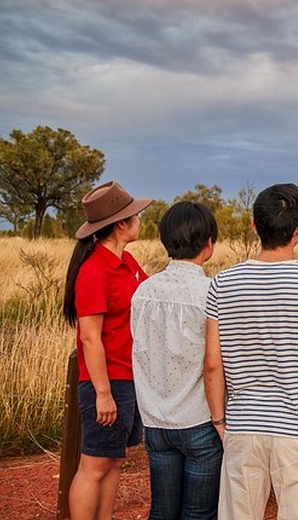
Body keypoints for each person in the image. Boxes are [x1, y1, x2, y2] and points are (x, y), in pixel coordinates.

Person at [204, 183, 298, 520]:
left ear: (255, 226)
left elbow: (212, 365)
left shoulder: (222, 284)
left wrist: (220, 421)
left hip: (242, 427)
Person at [62, 180, 153, 520]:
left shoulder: (127, 263)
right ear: (120, 225)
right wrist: (102, 393)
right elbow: (89, 338)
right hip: (107, 380)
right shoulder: (94, 271)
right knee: (94, 465)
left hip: (127, 377)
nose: (139, 221)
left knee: (113, 462)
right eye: (135, 216)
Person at [130, 201, 223, 519]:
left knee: (162, 511)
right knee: (198, 514)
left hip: (155, 421)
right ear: (208, 244)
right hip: (199, 422)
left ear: (165, 240)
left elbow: (140, 350)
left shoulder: (143, 292)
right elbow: (215, 364)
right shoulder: (211, 294)